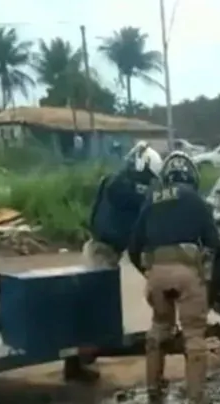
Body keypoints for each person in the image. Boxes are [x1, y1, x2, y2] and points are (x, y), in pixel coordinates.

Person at [127, 153, 220, 404]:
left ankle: (154, 388)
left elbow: (133, 247)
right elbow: (214, 244)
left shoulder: (151, 198)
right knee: (194, 334)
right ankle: (196, 399)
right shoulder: (196, 200)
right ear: (191, 176)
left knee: (159, 329)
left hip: (157, 275)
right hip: (186, 274)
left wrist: (149, 274)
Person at [62, 140, 164, 383]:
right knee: (96, 309)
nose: (150, 181)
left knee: (93, 306)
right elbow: (138, 205)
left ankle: (78, 362)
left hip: (102, 248)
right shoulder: (124, 186)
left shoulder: (114, 181)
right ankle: (77, 364)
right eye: (149, 176)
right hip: (102, 250)